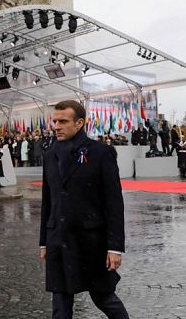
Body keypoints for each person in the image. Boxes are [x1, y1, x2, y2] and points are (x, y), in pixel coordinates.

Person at [39, 100, 129, 319]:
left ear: (79, 123)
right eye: (55, 121)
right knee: (60, 303)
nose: (56, 126)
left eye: (63, 121)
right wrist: (44, 241)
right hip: (58, 239)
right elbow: (48, 201)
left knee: (104, 298)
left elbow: (114, 202)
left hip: (91, 242)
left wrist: (115, 247)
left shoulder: (101, 152)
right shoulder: (50, 155)